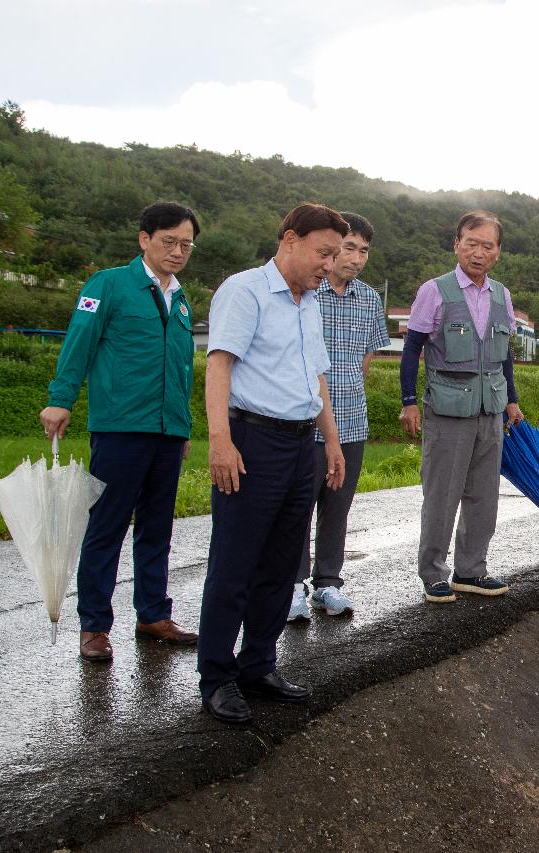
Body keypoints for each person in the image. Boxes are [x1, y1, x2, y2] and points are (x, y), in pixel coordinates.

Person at [198, 203, 347, 725]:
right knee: (235, 563)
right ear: (289, 239)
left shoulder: (309, 302)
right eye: (322, 252)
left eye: (336, 255)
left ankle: (257, 664)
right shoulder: (246, 291)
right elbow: (219, 366)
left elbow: (318, 380)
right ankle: (216, 677)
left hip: (299, 445)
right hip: (252, 440)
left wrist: (329, 442)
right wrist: (220, 440)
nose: (329, 264)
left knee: (282, 564)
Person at [40, 201, 201, 663]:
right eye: (168, 241)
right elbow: (79, 342)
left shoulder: (182, 298)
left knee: (157, 527)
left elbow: (180, 372)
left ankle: (153, 613)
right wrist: (60, 397)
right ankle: (94, 626)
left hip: (168, 431)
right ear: (144, 239)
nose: (177, 251)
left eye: (186, 243)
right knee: (107, 527)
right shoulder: (108, 285)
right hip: (120, 428)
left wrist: (183, 427)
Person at [399, 210, 524, 603]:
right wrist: (409, 402)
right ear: (456, 244)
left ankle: (471, 571)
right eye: (471, 243)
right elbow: (412, 348)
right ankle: (433, 572)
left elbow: (504, 356)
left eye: (488, 245)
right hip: (448, 408)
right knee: (442, 493)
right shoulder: (434, 291)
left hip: (492, 408)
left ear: (498, 252)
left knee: (484, 496)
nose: (478, 252)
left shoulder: (502, 295)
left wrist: (513, 401)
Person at [289, 212, 390, 621]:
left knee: (337, 506)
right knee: (297, 506)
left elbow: (365, 361)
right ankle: (292, 586)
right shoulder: (306, 292)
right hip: (304, 420)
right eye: (349, 248)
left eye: (363, 251)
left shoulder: (368, 298)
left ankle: (328, 584)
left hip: (351, 421)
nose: (355, 258)